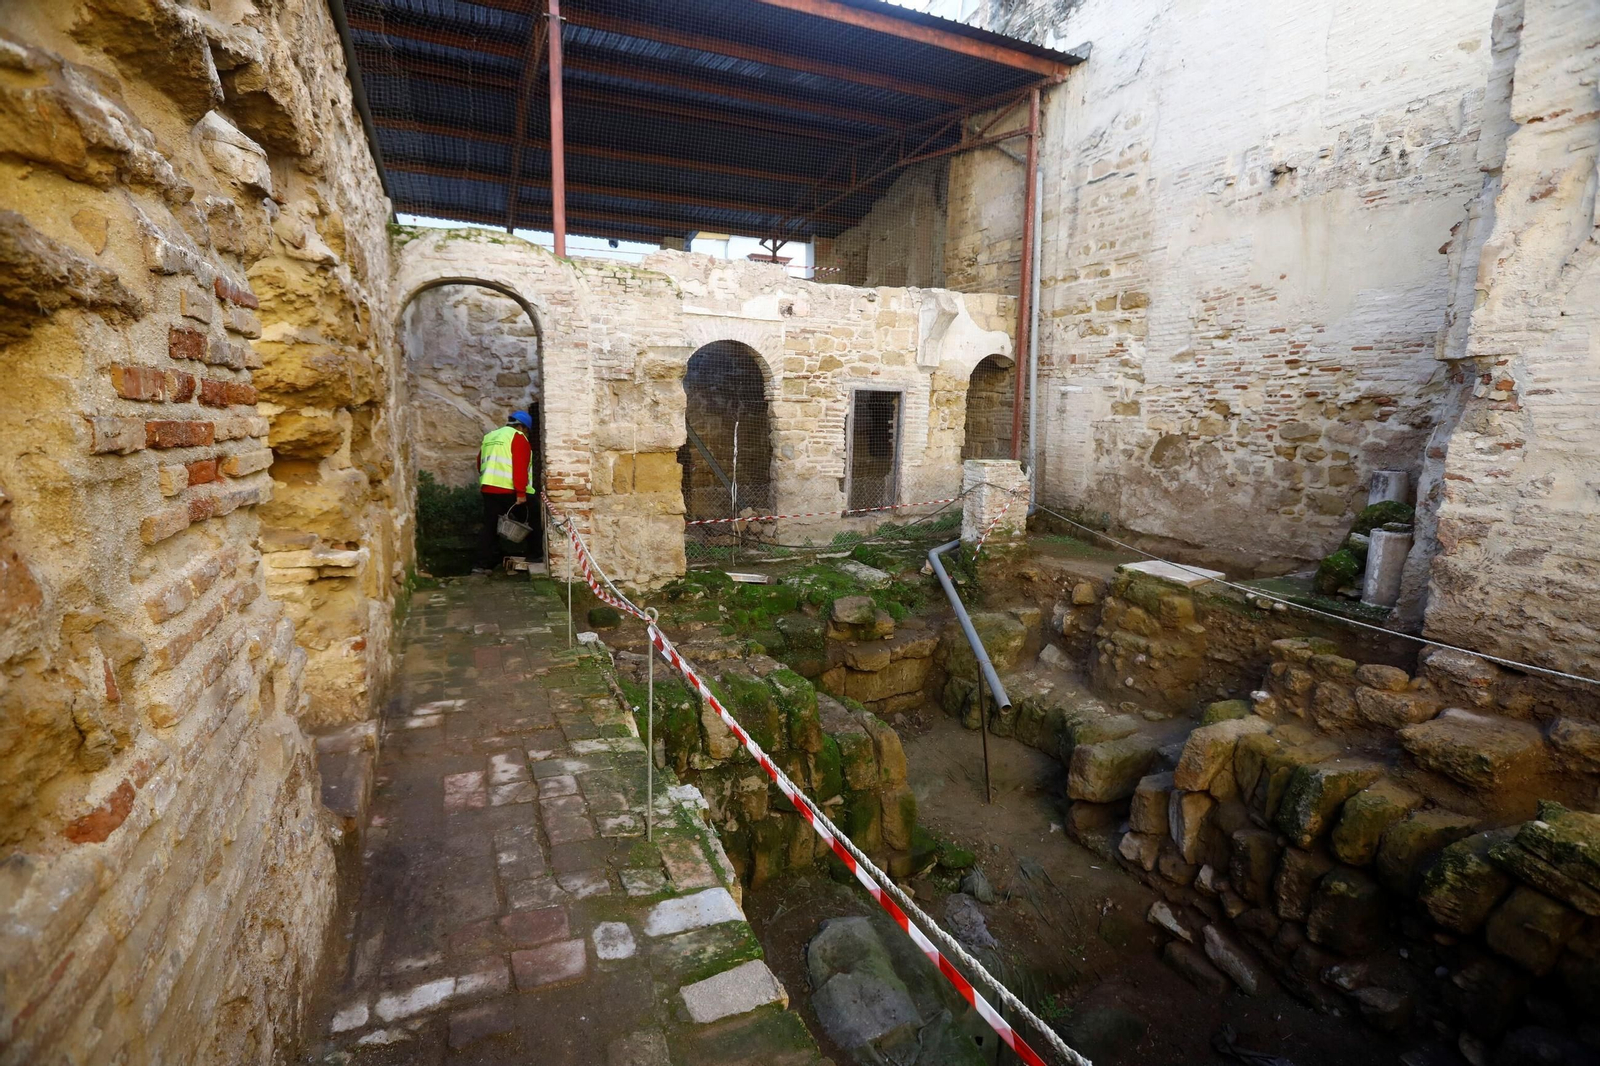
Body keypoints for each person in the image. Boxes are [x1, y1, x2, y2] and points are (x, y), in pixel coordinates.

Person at [476, 410, 537, 572]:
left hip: (488, 488)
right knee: (533, 518)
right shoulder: (518, 437)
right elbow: (520, 467)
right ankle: (535, 554)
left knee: (489, 526)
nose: (526, 434)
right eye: (527, 431)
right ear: (521, 427)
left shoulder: (490, 436)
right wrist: (521, 493)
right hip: (509, 490)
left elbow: (479, 462)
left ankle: (484, 564)